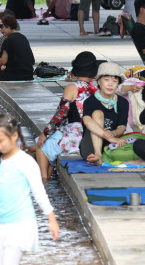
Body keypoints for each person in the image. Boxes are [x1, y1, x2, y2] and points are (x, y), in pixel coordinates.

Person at [0, 114, 60, 265]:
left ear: (14, 136)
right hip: (2, 224)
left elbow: (39, 192)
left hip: (21, 223)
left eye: (1, 140)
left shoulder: (25, 161)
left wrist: (52, 219)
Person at [32, 52, 99, 183]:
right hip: (91, 133)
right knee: (50, 148)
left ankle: (44, 180)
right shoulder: (95, 88)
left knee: (41, 146)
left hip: (75, 133)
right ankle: (49, 179)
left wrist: (45, 133)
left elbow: (61, 114)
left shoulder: (72, 87)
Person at [79, 62, 129, 165]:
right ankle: (98, 155)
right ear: (99, 82)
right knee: (97, 113)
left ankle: (105, 155)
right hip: (91, 144)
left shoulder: (123, 102)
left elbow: (122, 126)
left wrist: (113, 134)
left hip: (113, 143)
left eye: (114, 81)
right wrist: (107, 136)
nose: (110, 84)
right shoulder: (90, 101)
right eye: (106, 80)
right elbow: (87, 121)